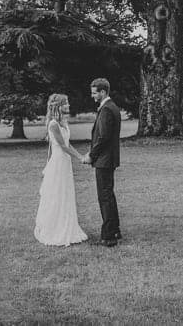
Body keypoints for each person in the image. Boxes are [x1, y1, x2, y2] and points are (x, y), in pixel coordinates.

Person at [34, 94, 88, 246]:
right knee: (57, 194)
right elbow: (62, 147)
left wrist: (81, 156)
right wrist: (81, 158)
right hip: (58, 163)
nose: (68, 106)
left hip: (66, 162)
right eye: (66, 103)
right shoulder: (53, 124)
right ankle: (55, 229)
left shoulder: (64, 122)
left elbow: (68, 144)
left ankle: (68, 225)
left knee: (66, 192)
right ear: (58, 106)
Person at [81, 78, 122, 247]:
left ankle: (108, 237)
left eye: (94, 93)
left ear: (103, 92)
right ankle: (115, 230)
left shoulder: (106, 109)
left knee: (104, 197)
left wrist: (91, 155)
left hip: (104, 160)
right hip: (109, 159)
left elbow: (103, 137)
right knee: (108, 195)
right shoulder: (111, 107)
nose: (92, 96)